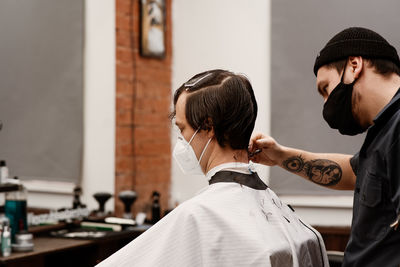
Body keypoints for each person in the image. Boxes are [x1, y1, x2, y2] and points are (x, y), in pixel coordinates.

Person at [97, 69, 328, 267]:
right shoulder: (276, 207)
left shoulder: (197, 216)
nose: (181, 141)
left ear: (208, 127)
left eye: (182, 129)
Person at [249, 27, 400, 267]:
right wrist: (280, 156)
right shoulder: (383, 131)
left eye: (325, 88)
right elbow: (352, 173)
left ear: (354, 65)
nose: (327, 103)